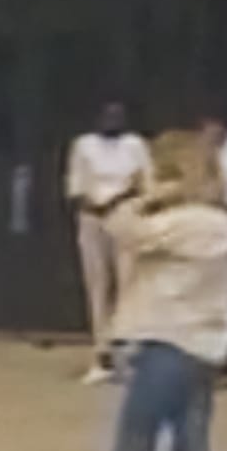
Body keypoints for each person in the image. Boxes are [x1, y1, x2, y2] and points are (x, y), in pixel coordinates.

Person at [96, 129, 227, 451]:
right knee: (190, 442)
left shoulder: (188, 222)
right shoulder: (221, 225)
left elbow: (122, 230)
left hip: (168, 339)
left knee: (134, 441)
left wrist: (140, 197)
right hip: (204, 344)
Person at [65, 100, 151, 385]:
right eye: (106, 114)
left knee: (128, 283)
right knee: (97, 284)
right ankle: (101, 353)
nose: (111, 119)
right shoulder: (83, 145)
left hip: (125, 211)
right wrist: (91, 204)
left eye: (117, 115)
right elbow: (75, 184)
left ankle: (126, 352)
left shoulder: (135, 145)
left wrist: (119, 200)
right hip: (92, 216)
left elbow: (146, 182)